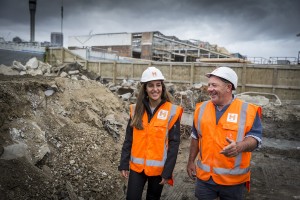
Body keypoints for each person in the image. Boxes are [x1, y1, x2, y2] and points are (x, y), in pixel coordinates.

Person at [187, 66, 262, 200]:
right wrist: (190, 161)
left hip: (233, 182)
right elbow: (195, 137)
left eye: (214, 85)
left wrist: (239, 146)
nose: (209, 89)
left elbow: (255, 138)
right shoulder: (201, 109)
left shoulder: (248, 111)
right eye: (209, 85)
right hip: (204, 179)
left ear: (228, 87)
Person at [118, 66, 183, 200]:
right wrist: (124, 163)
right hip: (137, 168)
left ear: (162, 87)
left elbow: (174, 144)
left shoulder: (172, 111)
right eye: (151, 86)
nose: (155, 89)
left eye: (158, 85)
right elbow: (128, 139)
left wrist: (168, 172)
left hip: (158, 170)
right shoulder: (135, 110)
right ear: (145, 89)